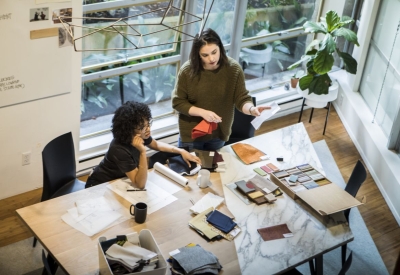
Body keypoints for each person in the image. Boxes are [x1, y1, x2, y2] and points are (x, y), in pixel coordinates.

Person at [172, 28, 269, 151]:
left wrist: (251, 109)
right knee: (190, 169)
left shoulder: (233, 69)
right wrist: (203, 112)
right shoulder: (187, 71)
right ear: (197, 54)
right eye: (205, 55)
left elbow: (241, 98)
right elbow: (178, 102)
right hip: (191, 134)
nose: (211, 59)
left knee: (214, 167)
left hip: (218, 133)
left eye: (214, 52)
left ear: (220, 48)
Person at [85, 101, 201, 189]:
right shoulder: (119, 149)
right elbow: (139, 184)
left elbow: (157, 145)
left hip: (120, 179)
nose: (148, 129)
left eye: (148, 124)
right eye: (142, 127)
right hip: (99, 185)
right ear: (129, 130)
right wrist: (142, 151)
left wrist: (181, 151)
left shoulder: (140, 135)